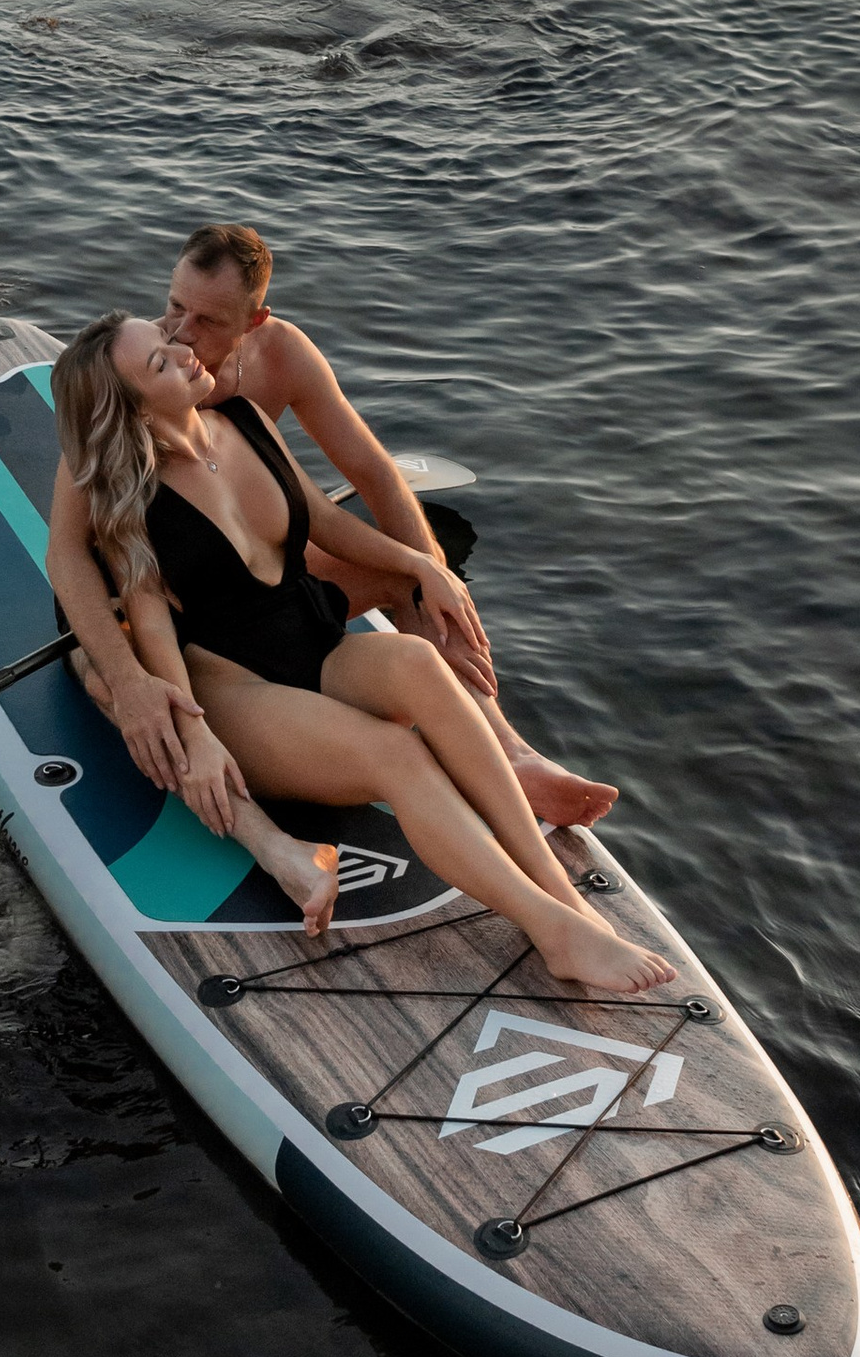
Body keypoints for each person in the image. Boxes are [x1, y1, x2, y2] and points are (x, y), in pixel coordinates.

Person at [46, 312, 674, 1000]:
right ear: (134, 408)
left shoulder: (244, 419)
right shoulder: (130, 497)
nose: (183, 352)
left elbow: (324, 519)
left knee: (419, 663)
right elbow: (151, 624)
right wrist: (194, 731)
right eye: (160, 363)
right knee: (395, 753)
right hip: (235, 684)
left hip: (311, 639)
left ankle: (566, 900)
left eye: (169, 342)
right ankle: (550, 931)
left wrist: (421, 564)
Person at [158, 221, 619, 833]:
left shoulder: (282, 353)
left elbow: (374, 471)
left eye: (209, 320)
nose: (182, 333)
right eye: (175, 307)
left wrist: (438, 577)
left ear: (254, 321)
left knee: (411, 580)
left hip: (274, 572)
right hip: (203, 608)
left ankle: (509, 751)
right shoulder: (151, 374)